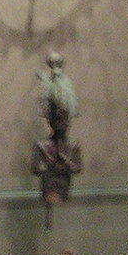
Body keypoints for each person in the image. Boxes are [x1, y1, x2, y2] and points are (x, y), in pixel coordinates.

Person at [31, 52, 82, 227]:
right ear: (50, 121)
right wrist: (54, 163)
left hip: (62, 186)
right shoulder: (41, 146)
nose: (61, 124)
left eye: (63, 120)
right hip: (50, 187)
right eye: (57, 119)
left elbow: (76, 168)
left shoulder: (73, 146)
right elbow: (37, 168)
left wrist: (64, 162)